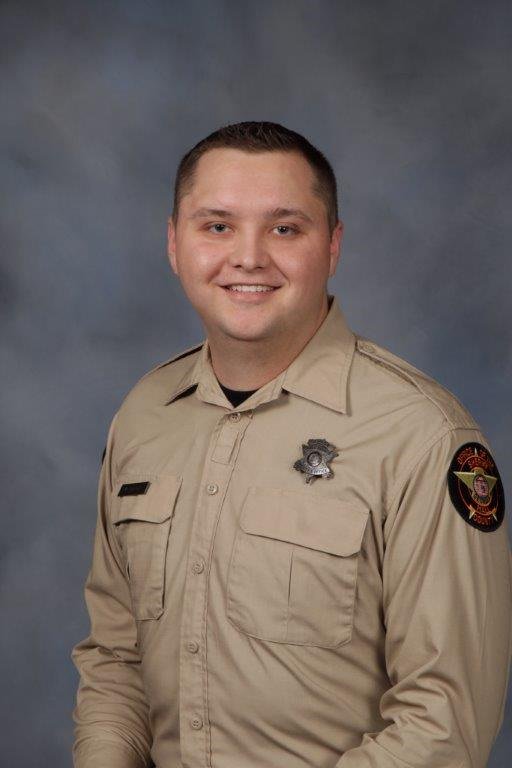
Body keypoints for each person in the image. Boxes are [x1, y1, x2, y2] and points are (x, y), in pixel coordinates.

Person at [71, 121, 511, 768]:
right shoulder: (144, 417)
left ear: (332, 246)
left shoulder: (423, 436)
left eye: (284, 228)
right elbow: (116, 662)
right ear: (174, 243)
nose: (248, 257)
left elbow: (445, 724)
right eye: (217, 226)